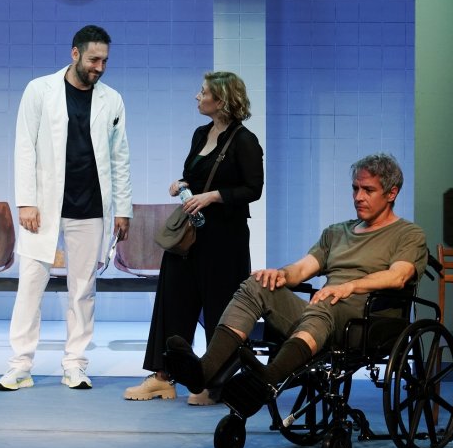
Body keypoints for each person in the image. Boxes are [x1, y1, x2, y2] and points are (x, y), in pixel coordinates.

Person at [164, 153, 426, 406]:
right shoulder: (336, 232)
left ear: (391, 193)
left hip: (366, 325)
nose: (358, 197)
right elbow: (301, 270)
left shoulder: (408, 234)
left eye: (368, 190)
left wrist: (349, 286)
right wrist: (280, 274)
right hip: (321, 316)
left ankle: (269, 378)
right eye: (355, 189)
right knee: (257, 284)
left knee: (325, 301)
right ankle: (205, 372)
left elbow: (398, 276)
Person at [0, 25, 132, 392]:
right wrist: (26, 201)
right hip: (43, 208)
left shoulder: (112, 100)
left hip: (90, 207)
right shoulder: (39, 90)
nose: (99, 67)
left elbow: (119, 158)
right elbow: (24, 147)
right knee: (30, 285)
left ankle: (75, 364)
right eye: (93, 59)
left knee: (83, 290)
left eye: (104, 61)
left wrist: (123, 209)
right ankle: (20, 365)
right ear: (75, 54)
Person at [124, 72, 264, 404]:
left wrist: (213, 196)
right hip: (190, 233)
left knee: (220, 308)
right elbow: (195, 176)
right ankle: (162, 377)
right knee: (173, 299)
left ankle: (216, 382)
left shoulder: (244, 140)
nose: (197, 97)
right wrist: (182, 184)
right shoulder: (201, 133)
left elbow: (252, 189)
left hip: (224, 237)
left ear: (222, 100)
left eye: (203, 92)